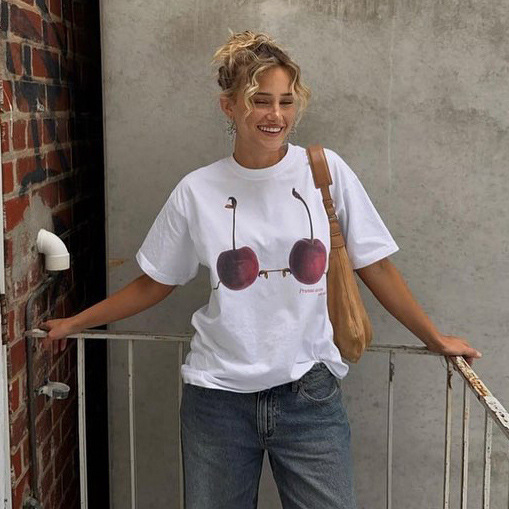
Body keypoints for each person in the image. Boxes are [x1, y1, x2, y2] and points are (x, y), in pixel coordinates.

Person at [41, 31, 482, 509]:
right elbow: (154, 283)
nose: (276, 115)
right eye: (260, 100)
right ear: (229, 106)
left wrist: (433, 338)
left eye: (286, 101)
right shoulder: (197, 191)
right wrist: (76, 323)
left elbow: (374, 265)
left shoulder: (324, 171)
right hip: (217, 400)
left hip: (309, 394)